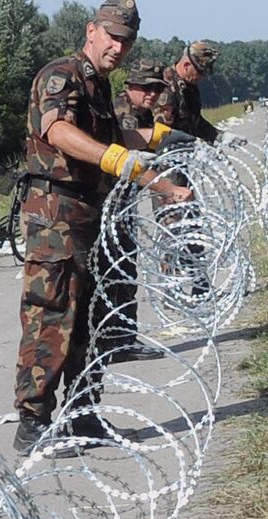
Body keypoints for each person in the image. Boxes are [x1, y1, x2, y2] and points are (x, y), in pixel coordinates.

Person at [13, 0, 192, 455]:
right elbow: (59, 132)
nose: (118, 46)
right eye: (111, 36)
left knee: (92, 316)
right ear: (91, 30)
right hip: (56, 213)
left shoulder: (99, 86)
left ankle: (82, 412)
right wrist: (119, 158)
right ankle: (33, 421)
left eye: (126, 40)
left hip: (92, 212)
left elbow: (115, 142)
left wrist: (162, 167)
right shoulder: (62, 75)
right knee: (52, 314)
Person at [102, 59, 173, 360]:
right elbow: (131, 162)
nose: (152, 94)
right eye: (146, 88)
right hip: (111, 203)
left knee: (125, 267)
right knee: (117, 270)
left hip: (123, 203)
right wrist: (164, 187)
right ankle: (116, 340)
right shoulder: (123, 112)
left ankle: (122, 339)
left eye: (157, 89)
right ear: (130, 86)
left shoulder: (142, 112)